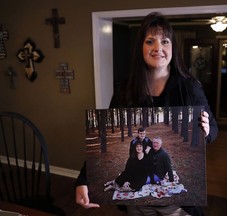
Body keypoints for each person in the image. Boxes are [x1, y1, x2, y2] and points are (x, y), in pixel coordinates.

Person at [76, 12, 218, 215]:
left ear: (172, 48)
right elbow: (102, 139)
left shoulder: (190, 87)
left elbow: (213, 129)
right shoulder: (125, 89)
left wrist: (206, 132)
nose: (158, 48)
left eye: (165, 41)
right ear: (141, 48)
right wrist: (83, 180)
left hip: (178, 205)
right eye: (150, 41)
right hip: (139, 201)